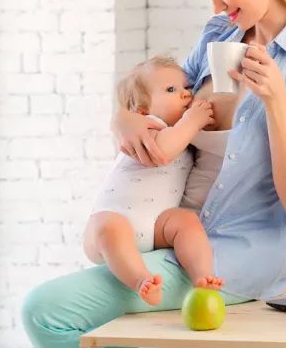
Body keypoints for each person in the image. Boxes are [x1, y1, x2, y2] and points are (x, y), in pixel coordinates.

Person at [22, 0, 286, 347]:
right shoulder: (220, 34)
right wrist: (124, 118)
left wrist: (276, 102)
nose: (216, 4)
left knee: (45, 310)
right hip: (174, 233)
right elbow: (163, 101)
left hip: (237, 257)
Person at [84, 54, 223, 307]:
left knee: (186, 222)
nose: (185, 94)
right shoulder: (150, 128)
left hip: (156, 225)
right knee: (108, 227)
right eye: (171, 90)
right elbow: (163, 152)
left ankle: (202, 275)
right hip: (115, 220)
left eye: (187, 88)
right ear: (142, 111)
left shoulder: (183, 137)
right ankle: (141, 281)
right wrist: (193, 121)